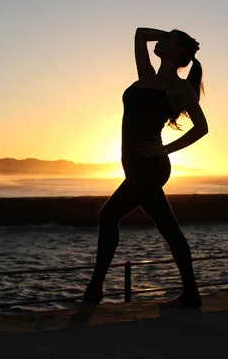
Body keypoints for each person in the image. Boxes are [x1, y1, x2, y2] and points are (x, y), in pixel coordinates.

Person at [71, 27, 209, 321]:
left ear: (180, 51)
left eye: (169, 39)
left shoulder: (179, 88)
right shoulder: (147, 76)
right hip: (133, 165)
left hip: (151, 167)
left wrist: (166, 150)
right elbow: (139, 34)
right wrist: (172, 36)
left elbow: (202, 128)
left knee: (107, 216)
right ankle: (191, 295)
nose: (161, 40)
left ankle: (93, 295)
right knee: (169, 229)